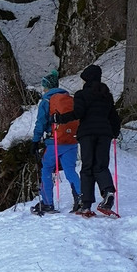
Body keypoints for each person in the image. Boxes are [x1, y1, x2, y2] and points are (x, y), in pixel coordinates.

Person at [55, 64, 121, 217]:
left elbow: (79, 113)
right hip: (104, 134)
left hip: (87, 134)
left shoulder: (81, 94)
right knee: (101, 165)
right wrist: (114, 132)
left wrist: (60, 119)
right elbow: (114, 117)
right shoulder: (107, 95)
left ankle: (86, 205)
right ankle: (108, 192)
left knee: (87, 167)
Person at [30, 70, 82, 215]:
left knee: (46, 169)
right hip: (71, 141)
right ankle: (81, 198)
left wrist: (35, 141)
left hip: (54, 142)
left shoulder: (46, 101)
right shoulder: (68, 99)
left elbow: (41, 123)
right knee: (70, 171)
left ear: (47, 87)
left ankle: (47, 203)